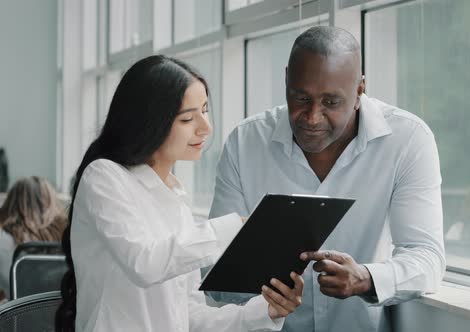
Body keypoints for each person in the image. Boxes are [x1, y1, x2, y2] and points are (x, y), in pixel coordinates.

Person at [208, 26, 445, 331]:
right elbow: (214, 271)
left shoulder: (408, 140)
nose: (312, 117)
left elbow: (427, 258)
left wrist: (367, 278)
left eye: (331, 102)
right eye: (301, 97)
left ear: (359, 91)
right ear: (286, 81)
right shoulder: (244, 143)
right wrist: (262, 295)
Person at [55, 55, 304, 332]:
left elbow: (188, 314)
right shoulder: (104, 176)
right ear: (149, 122)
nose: (205, 127)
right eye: (187, 118)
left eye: (205, 110)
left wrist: (264, 312)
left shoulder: (175, 198)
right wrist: (238, 228)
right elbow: (145, 264)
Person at [0, 176, 67, 300]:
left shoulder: (3, 240)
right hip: (61, 314)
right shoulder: (67, 238)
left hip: (16, 316)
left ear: (10, 204)